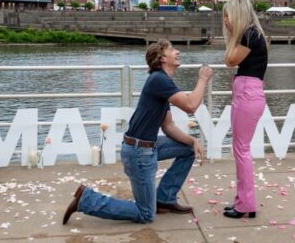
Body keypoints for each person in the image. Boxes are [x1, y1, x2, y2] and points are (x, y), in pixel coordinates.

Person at [63, 40, 213, 224]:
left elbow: (168, 126)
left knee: (187, 150)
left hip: (148, 147)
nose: (178, 52)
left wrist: (192, 141)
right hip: (139, 153)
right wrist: (203, 79)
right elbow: (190, 105)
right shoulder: (159, 79)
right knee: (146, 214)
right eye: (172, 49)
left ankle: (164, 199)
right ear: (162, 58)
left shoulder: (163, 82)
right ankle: (87, 200)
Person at [221, 0, 268, 219]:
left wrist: (232, 37)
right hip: (248, 91)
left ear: (238, 14)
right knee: (241, 148)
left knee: (241, 150)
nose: (225, 21)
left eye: (228, 16)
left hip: (247, 93)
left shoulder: (249, 35)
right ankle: (243, 201)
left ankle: (245, 204)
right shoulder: (253, 34)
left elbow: (230, 60)